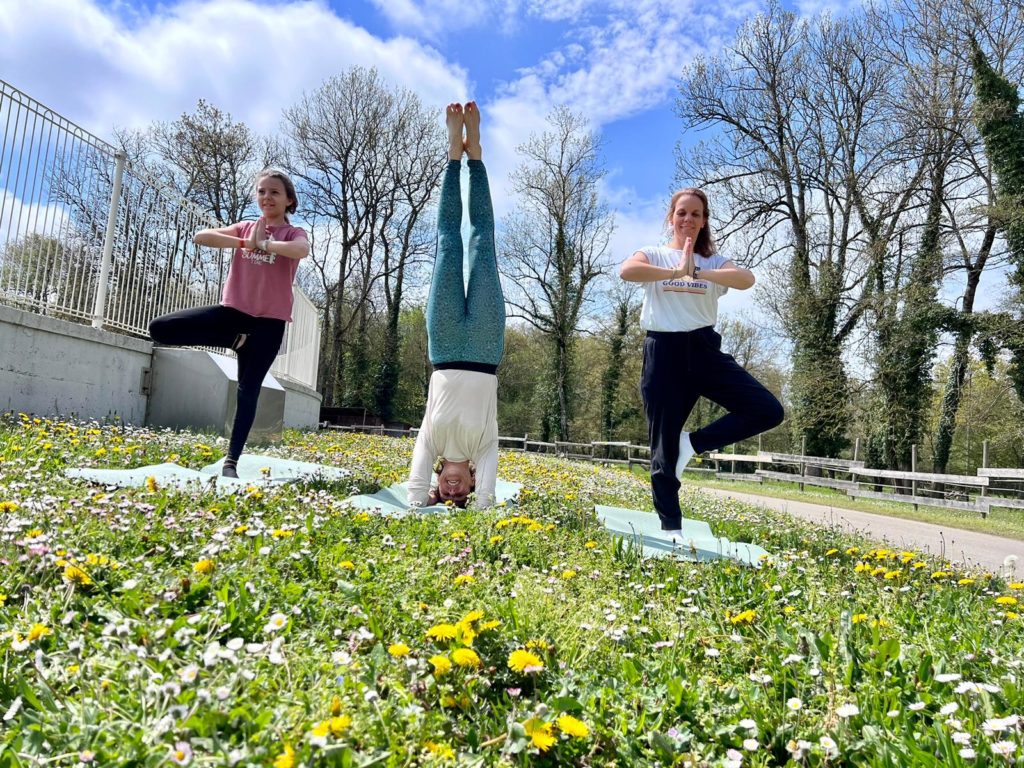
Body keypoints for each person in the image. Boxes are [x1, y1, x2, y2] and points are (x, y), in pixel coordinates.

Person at [619, 188, 784, 535]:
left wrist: (698, 271)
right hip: (663, 353)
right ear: (671, 217)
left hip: (704, 350)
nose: (688, 220)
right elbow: (627, 271)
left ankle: (691, 444)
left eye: (696, 214)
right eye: (682, 213)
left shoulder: (714, 262)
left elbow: (746, 279)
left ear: (704, 220)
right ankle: (671, 529)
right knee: (662, 451)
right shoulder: (654, 255)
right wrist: (674, 270)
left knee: (767, 410)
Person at [148, 168, 310, 478]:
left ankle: (231, 462)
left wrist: (266, 246)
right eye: (262, 191)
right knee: (160, 329)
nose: (267, 197)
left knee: (247, 391)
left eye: (274, 192)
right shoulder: (246, 228)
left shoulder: (293, 233)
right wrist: (245, 243)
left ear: (289, 199)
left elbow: (301, 250)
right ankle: (234, 340)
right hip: (233, 316)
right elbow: (201, 236)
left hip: (268, 326)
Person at [407, 101, 505, 509]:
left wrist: (424, 503)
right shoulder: (484, 450)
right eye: (459, 491)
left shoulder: (431, 443)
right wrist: (476, 507)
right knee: (482, 244)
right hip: (485, 347)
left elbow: (414, 495)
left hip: (444, 348)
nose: (452, 489)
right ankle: (476, 155)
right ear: (470, 483)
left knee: (448, 244)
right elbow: (486, 502)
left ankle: (452, 155)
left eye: (447, 490)